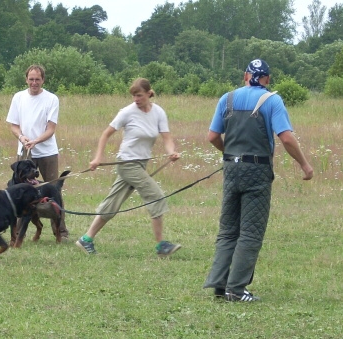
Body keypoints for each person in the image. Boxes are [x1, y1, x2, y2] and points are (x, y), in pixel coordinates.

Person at [203, 59, 313, 302]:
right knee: (250, 232)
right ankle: (237, 290)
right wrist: (304, 165)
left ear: (245, 76)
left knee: (228, 230)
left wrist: (228, 154)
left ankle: (220, 285)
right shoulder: (272, 100)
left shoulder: (227, 99)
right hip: (257, 171)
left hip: (231, 170)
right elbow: (286, 138)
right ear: (267, 79)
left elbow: (212, 136)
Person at [75, 78, 181, 257]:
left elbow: (167, 138)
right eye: (133, 96)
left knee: (112, 203)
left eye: (139, 95)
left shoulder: (159, 112)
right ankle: (161, 245)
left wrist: (172, 152)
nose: (136, 99)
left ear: (148, 94)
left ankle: (86, 239)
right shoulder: (127, 112)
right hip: (127, 164)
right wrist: (98, 158)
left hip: (141, 163)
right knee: (155, 196)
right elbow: (105, 134)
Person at [6, 64, 69, 238]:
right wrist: (22, 138)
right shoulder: (18, 97)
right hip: (25, 152)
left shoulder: (51, 99)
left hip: (47, 151)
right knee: (20, 192)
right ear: (26, 79)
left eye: (37, 79)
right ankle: (18, 231)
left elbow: (51, 128)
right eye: (31, 79)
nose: (34, 83)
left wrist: (36, 140)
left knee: (54, 191)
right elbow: (13, 125)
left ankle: (61, 231)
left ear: (43, 80)